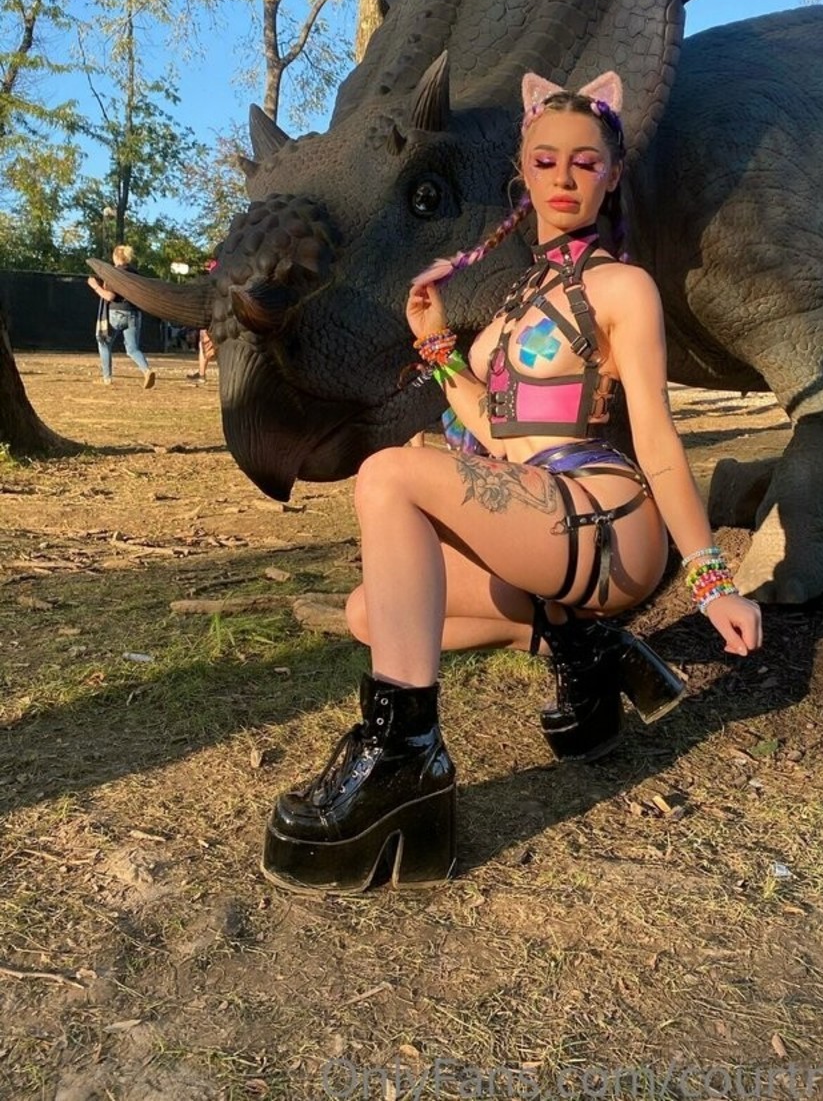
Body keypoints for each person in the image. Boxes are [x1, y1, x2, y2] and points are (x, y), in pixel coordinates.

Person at [261, 71, 763, 896]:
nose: (564, 177)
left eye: (585, 162)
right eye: (546, 160)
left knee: (389, 474)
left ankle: (404, 761)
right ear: (523, 174)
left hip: (606, 519)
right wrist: (437, 348)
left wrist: (712, 579)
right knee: (371, 613)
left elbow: (659, 440)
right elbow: (496, 432)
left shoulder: (622, 288)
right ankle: (581, 647)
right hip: (537, 521)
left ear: (611, 174)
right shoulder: (511, 305)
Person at [87, 245, 156, 389]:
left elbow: (109, 296)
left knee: (104, 342)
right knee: (132, 349)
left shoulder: (114, 274)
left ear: (115, 257)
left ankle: (107, 378)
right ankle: (147, 370)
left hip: (117, 313)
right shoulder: (135, 273)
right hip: (134, 314)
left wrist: (95, 286)